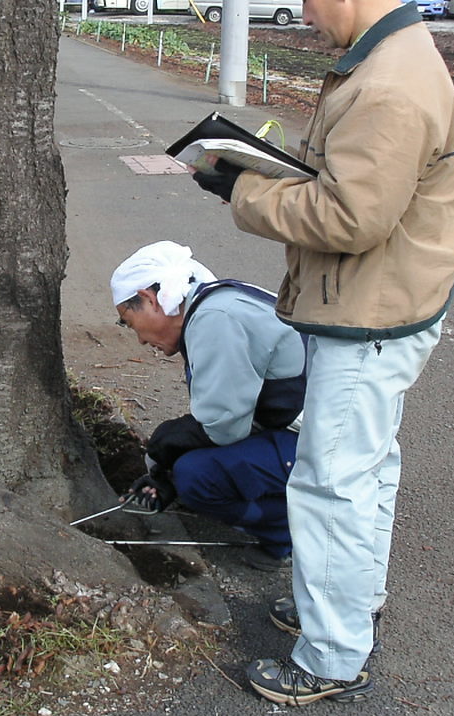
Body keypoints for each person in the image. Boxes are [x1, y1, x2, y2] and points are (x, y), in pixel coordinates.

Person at [190, 0, 454, 705]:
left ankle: (332, 656)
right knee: (367, 471)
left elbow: (352, 219)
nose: (304, 12)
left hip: (372, 315)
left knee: (330, 487)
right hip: (393, 302)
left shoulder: (385, 85)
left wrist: (245, 191)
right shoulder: (396, 53)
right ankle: (352, 604)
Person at [110, 241, 307, 570]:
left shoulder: (216, 318)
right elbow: (225, 414)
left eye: (130, 324)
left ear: (149, 299)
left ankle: (293, 530)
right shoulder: (215, 302)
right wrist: (164, 467)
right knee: (189, 458)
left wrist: (163, 455)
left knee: (196, 476)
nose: (141, 340)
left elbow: (224, 425)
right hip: (301, 426)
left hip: (324, 440)